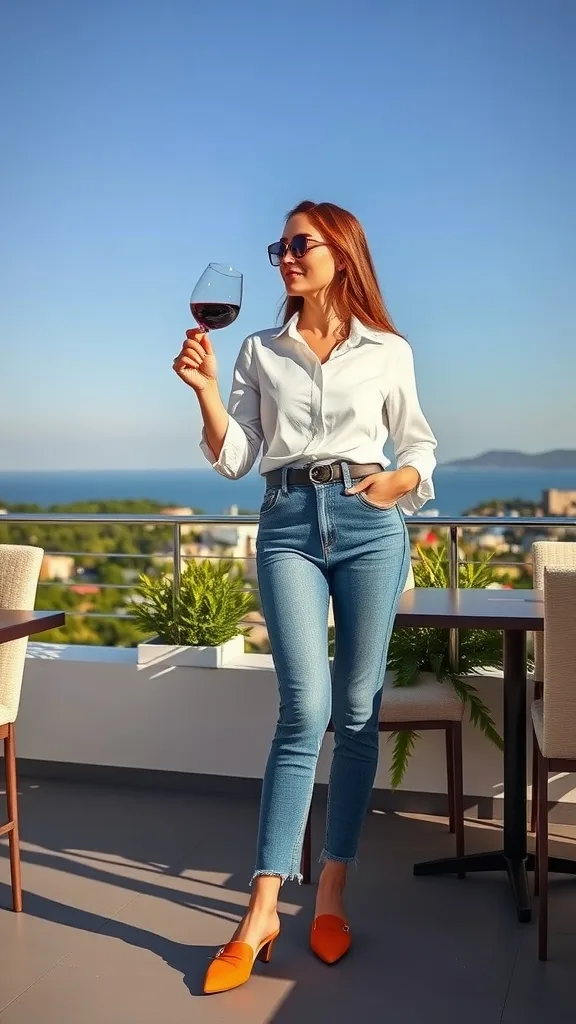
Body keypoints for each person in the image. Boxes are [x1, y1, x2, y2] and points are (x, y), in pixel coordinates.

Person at [173, 200, 437, 994]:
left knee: (357, 713)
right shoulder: (258, 348)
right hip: (286, 522)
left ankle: (330, 891)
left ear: (340, 253)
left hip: (368, 524)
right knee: (302, 708)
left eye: (299, 244)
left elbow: (419, 440)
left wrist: (402, 478)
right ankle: (261, 910)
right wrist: (207, 392)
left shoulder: (389, 350)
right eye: (279, 245)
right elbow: (241, 455)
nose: (284, 256)